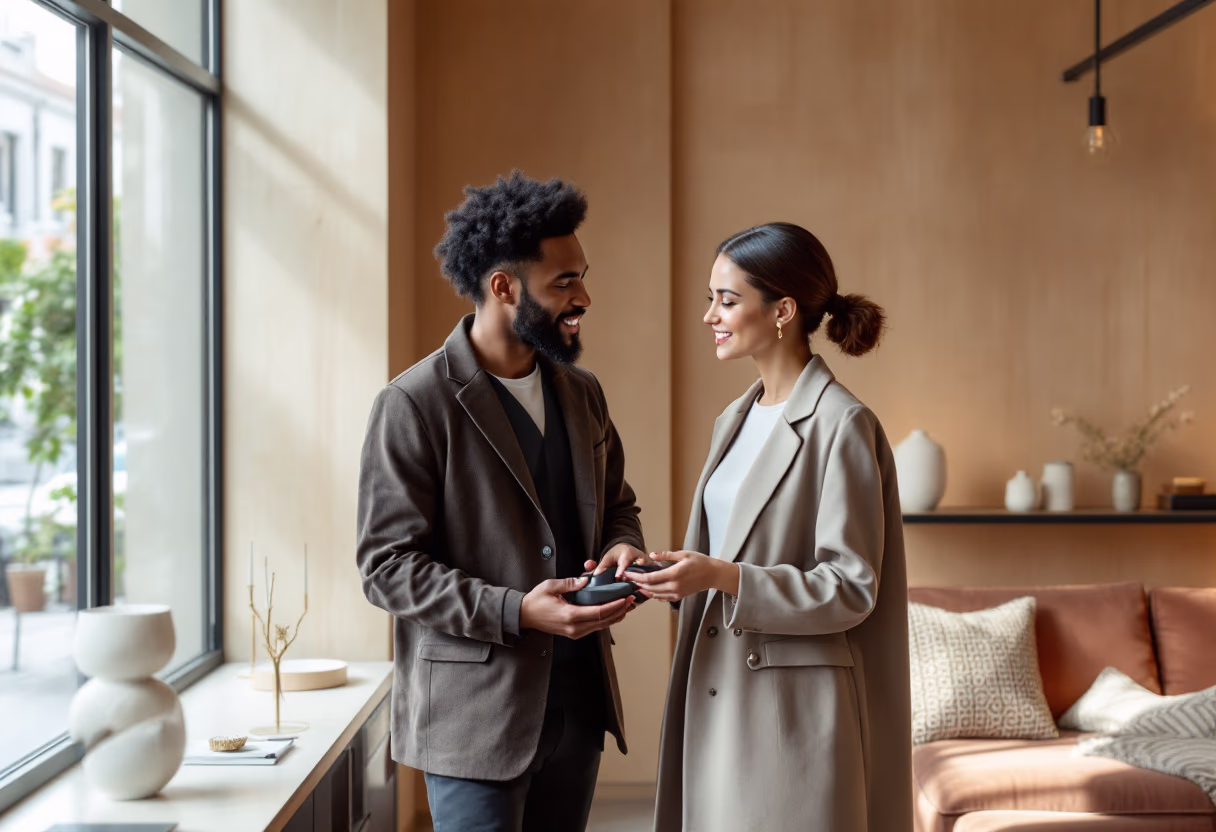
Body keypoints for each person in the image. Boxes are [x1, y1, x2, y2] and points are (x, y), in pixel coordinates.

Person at [357, 171, 648, 832]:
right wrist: (516, 611)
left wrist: (620, 547)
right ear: (503, 287)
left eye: (582, 277)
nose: (584, 298)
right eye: (564, 283)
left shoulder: (583, 392)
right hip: (471, 724)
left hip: (577, 708)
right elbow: (385, 566)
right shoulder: (412, 404)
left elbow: (618, 504)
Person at [627, 222, 912, 831]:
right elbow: (729, 548)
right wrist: (679, 569)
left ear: (782, 310)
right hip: (716, 689)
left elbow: (851, 586)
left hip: (789, 715)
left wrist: (723, 577)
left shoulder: (843, 424)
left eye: (727, 301)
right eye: (711, 298)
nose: (710, 315)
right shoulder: (734, 419)